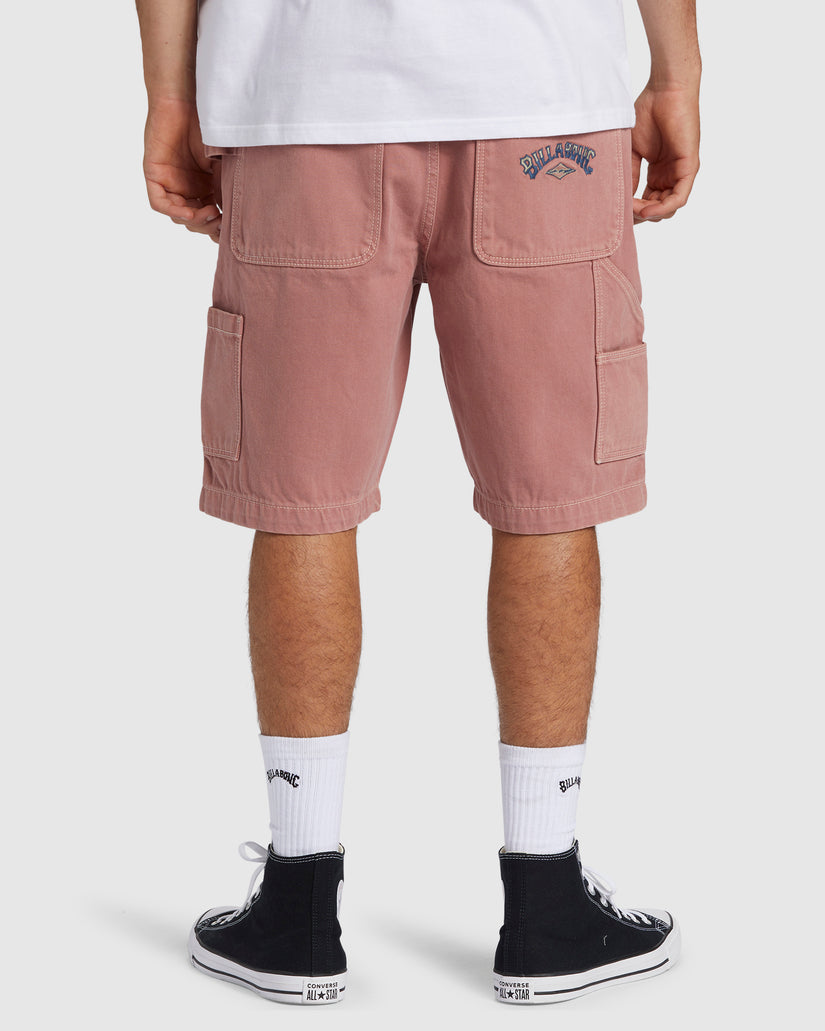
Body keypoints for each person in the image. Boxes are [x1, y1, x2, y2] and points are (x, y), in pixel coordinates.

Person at [136, 0, 700, 1007]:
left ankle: (298, 909)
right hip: (541, 103)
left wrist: (171, 93)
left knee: (304, 498)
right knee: (548, 493)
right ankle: (546, 899)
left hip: (303, 104)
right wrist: (677, 68)